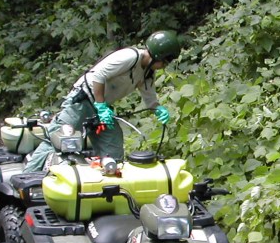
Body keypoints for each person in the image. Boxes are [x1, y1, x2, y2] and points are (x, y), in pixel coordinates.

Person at [23, 30, 183, 172]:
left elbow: (149, 96)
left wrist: (157, 109)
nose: (165, 66)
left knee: (113, 142)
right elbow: (98, 75)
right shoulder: (130, 57)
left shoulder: (147, 72)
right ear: (158, 55)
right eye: (166, 61)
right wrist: (100, 105)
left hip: (102, 109)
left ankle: (110, 178)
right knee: (58, 138)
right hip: (84, 99)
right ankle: (26, 179)